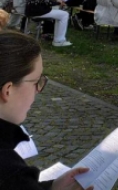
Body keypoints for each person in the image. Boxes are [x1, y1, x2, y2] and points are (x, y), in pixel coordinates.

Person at [0, 31, 93, 189]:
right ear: (8, 90)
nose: (38, 90)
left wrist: (51, 186)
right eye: (36, 82)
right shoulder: (11, 173)